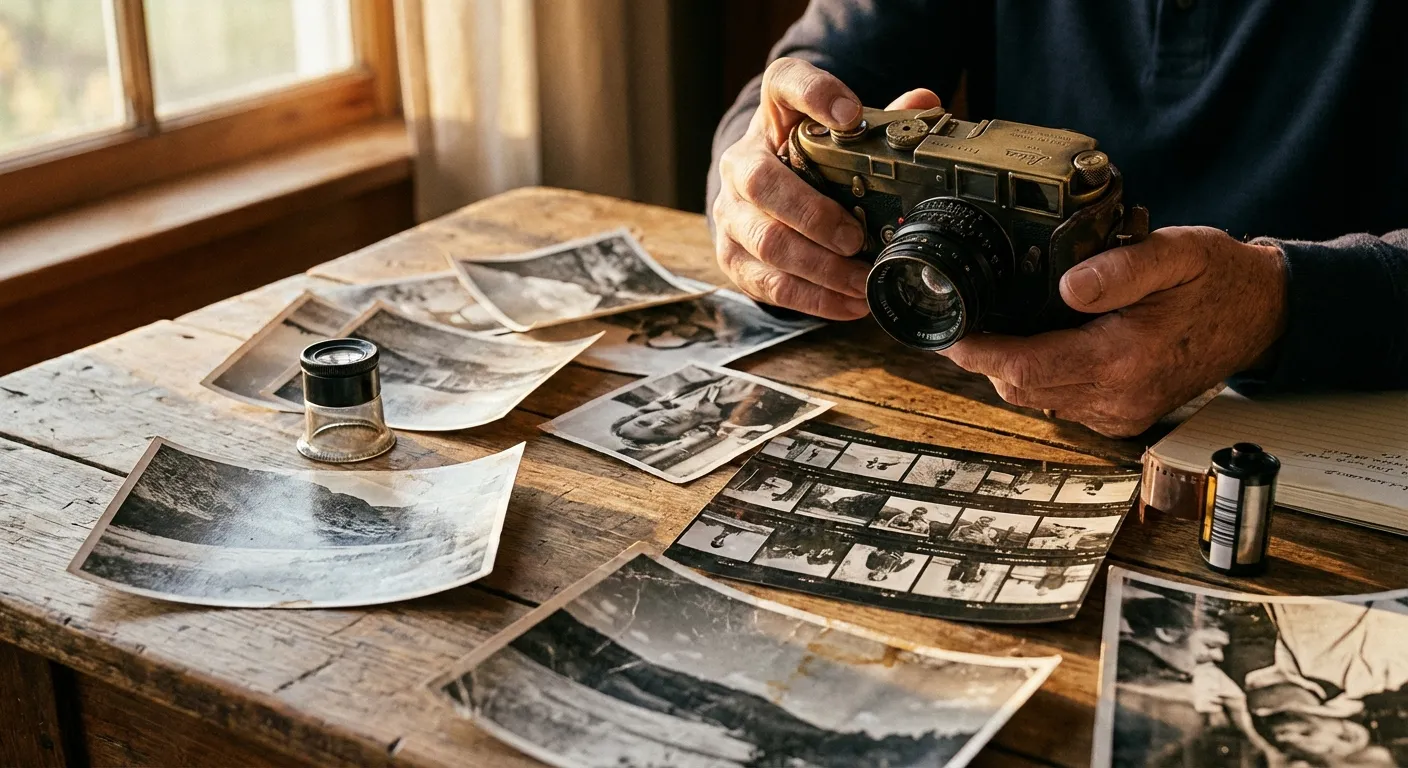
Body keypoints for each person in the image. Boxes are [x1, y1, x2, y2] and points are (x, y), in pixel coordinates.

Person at [707, 2, 1408, 437]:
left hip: (1325, 436)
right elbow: (810, 78)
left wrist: (1278, 303)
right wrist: (756, 184)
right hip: (980, 406)